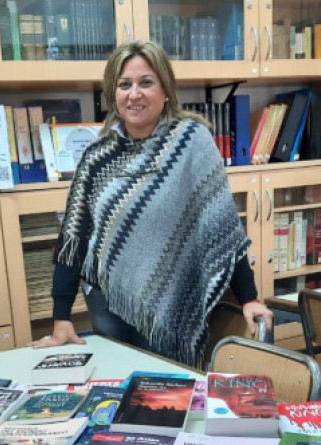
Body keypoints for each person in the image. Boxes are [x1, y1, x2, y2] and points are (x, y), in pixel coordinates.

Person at [31, 39, 272, 367]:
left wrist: (250, 297)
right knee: (118, 385)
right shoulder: (96, 158)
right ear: (113, 94)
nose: (134, 94)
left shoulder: (191, 142)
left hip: (171, 302)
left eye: (146, 83)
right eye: (124, 85)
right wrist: (61, 316)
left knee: (164, 392)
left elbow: (223, 228)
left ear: (166, 90)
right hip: (109, 303)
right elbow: (72, 240)